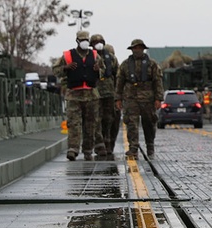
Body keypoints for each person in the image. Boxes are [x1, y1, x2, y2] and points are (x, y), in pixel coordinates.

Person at [54, 30, 105, 161]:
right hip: (74, 95)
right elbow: (55, 70)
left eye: (86, 40)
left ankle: (88, 149)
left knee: (90, 124)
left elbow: (104, 70)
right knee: (74, 123)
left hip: (91, 95)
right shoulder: (67, 55)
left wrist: (98, 70)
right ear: (77, 41)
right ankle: (73, 149)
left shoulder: (94, 55)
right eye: (82, 40)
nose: (84, 42)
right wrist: (66, 68)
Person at [115, 39, 163, 159]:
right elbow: (119, 82)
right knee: (131, 124)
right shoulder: (125, 65)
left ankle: (150, 147)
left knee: (149, 123)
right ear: (131, 50)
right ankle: (133, 148)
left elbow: (158, 82)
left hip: (148, 99)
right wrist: (118, 98)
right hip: (130, 98)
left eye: (139, 48)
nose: (137, 50)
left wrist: (158, 98)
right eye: (135, 48)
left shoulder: (152, 64)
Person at [91, 34, 120, 159]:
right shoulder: (89, 57)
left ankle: (108, 143)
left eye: (100, 41)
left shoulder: (111, 59)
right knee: (96, 120)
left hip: (109, 94)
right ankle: (99, 144)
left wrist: (118, 94)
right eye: (96, 42)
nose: (98, 43)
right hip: (94, 93)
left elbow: (118, 77)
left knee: (109, 120)